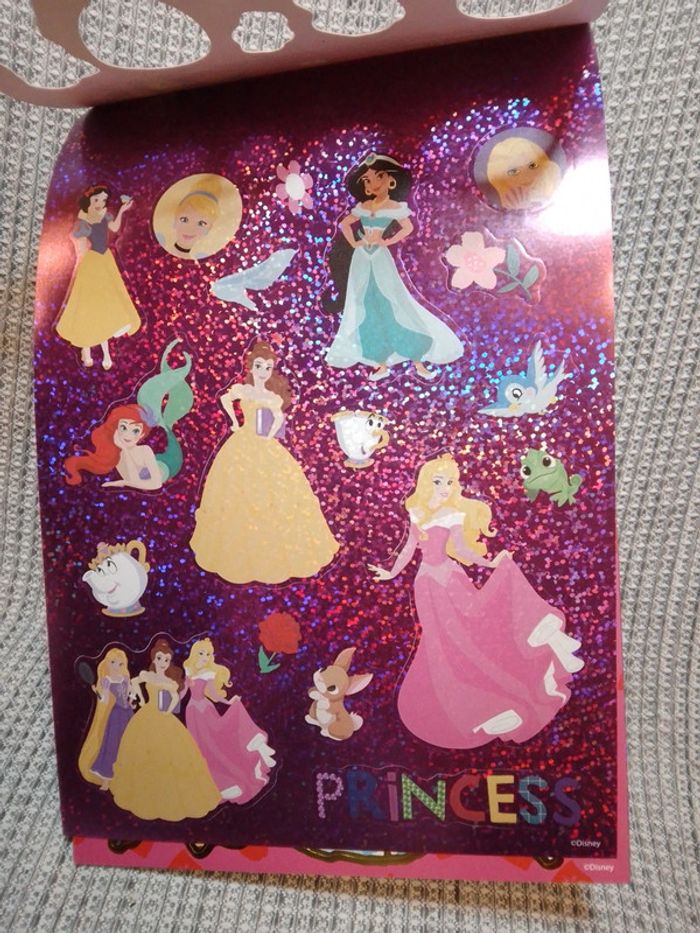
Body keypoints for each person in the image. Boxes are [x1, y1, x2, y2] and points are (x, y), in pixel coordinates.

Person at [368, 454, 584, 749]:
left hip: (450, 580)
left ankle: (542, 646)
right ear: (426, 481)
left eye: (450, 482)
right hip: (426, 586)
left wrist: (491, 563)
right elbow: (408, 548)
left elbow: (462, 549)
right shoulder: (416, 511)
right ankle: (475, 701)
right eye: (439, 481)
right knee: (442, 644)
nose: (445, 488)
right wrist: (391, 572)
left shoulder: (453, 515)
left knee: (474, 633)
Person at [190, 340, 339, 584]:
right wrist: (234, 422)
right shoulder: (244, 390)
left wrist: (268, 436)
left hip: (264, 445)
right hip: (241, 444)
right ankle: (237, 554)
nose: (263, 371)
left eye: (267, 367)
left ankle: (277, 555)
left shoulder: (271, 397)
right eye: (259, 365)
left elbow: (278, 418)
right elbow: (226, 399)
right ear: (251, 366)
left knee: (276, 493)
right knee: (237, 492)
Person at [323, 153, 463, 381]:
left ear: (390, 180)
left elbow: (407, 227)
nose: (372, 184)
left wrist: (386, 240)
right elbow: (344, 224)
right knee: (366, 303)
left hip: (380, 257)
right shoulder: (363, 206)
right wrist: (355, 242)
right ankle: (380, 363)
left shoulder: (395, 207)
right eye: (368, 180)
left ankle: (417, 359)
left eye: (377, 177)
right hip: (362, 258)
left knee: (393, 300)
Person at [109, 639, 221, 821]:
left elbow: (175, 697)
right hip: (146, 716)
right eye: (160, 658)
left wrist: (168, 711)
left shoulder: (169, 682)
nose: (163, 662)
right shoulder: (147, 675)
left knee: (172, 756)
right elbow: (135, 682)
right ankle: (146, 797)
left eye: (166, 660)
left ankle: (170, 799)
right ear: (154, 659)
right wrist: (141, 699)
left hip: (163, 717)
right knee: (143, 752)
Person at [63, 339, 193, 489]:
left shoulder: (145, 450)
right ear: (116, 429)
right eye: (123, 428)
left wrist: (125, 482)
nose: (128, 435)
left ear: (141, 434)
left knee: (167, 424)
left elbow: (156, 484)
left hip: (168, 463)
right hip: (155, 466)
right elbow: (133, 479)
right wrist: (124, 452)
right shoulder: (116, 456)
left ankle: (171, 364)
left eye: (135, 430)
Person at [56, 185, 140, 369]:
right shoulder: (83, 220)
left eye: (103, 200)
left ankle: (106, 353)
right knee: (87, 305)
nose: (100, 203)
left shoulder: (105, 216)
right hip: (91, 262)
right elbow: (77, 239)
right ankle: (86, 350)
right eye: (96, 200)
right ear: (89, 201)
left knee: (106, 303)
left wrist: (122, 210)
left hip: (105, 260)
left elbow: (115, 227)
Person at [182, 638, 275, 803]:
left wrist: (228, 702)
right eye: (202, 653)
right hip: (191, 712)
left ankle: (252, 752)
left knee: (213, 743)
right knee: (199, 747)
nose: (204, 657)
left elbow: (213, 694)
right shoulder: (188, 670)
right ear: (195, 653)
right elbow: (183, 691)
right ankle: (215, 780)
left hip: (205, 711)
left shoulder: (208, 673)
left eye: (208, 654)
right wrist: (173, 700)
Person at [78, 648, 134, 790]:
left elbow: (127, 695)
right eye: (113, 662)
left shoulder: (125, 679)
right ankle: (107, 781)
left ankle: (126, 778)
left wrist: (131, 703)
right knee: (112, 745)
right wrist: (98, 693)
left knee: (128, 744)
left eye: (120, 664)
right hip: (115, 716)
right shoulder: (107, 681)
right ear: (107, 663)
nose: (116, 666)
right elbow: (105, 700)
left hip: (128, 714)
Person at [486, 136, 562, 210]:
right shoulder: (506, 200)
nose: (525, 175)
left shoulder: (550, 179)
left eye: (532, 166)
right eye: (514, 172)